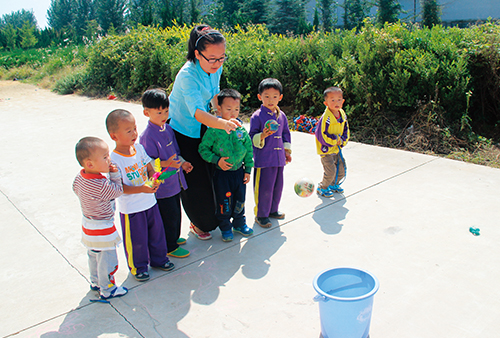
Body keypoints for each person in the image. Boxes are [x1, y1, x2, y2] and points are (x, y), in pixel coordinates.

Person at [168, 24, 240, 240]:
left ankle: (210, 216)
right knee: (195, 181)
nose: (218, 64)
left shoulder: (214, 67)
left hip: (205, 127)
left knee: (213, 174)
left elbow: (214, 96)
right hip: (184, 131)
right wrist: (222, 124)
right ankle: (197, 222)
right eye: (213, 59)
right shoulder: (187, 76)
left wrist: (225, 115)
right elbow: (198, 112)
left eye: (222, 58)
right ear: (198, 54)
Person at [106, 109, 174, 282]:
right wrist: (142, 189)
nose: (134, 133)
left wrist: (154, 179)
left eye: (135, 128)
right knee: (137, 240)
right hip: (132, 209)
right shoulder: (114, 160)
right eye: (128, 131)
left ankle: (159, 260)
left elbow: (150, 168)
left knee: (157, 234)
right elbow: (119, 187)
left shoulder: (139, 148)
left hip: (150, 202)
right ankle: (139, 267)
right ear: (114, 136)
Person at [139, 88, 193, 258]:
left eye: (166, 111)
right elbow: (146, 163)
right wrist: (166, 163)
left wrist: (182, 163)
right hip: (162, 186)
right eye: (159, 112)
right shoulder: (147, 136)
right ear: (146, 112)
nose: (164, 115)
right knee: (168, 216)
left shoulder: (167, 129)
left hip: (175, 182)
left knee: (176, 213)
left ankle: (174, 238)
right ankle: (169, 246)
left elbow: (176, 152)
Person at [73, 136, 128, 300]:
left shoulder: (80, 178)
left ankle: (95, 282)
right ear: (89, 164)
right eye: (105, 157)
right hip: (103, 227)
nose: (109, 159)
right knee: (107, 259)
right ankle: (108, 288)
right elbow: (118, 191)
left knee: (94, 255)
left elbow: (75, 189)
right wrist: (115, 174)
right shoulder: (101, 184)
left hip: (88, 224)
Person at [198, 89, 254, 242]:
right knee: (224, 202)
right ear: (219, 109)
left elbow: (249, 150)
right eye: (228, 109)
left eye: (236, 109)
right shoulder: (214, 130)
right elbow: (203, 149)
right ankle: (225, 226)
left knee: (240, 199)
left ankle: (239, 223)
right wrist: (217, 160)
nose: (233, 113)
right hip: (222, 174)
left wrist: (248, 170)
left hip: (239, 173)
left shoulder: (241, 130)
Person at [249, 78, 292, 228]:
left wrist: (287, 151)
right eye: (266, 96)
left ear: (280, 97)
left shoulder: (281, 116)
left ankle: (273, 210)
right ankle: (261, 215)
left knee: (277, 186)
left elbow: (286, 133)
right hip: (264, 160)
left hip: (279, 159)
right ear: (259, 97)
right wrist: (262, 136)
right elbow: (251, 136)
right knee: (264, 188)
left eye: (274, 96)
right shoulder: (257, 116)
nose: (270, 100)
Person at [315, 86, 350, 197]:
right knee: (330, 171)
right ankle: (323, 187)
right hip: (326, 150)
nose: (337, 102)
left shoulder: (342, 114)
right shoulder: (326, 118)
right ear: (326, 103)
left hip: (337, 148)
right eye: (333, 100)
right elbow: (320, 134)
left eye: (339, 99)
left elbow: (346, 129)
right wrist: (334, 140)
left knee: (341, 169)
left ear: (343, 101)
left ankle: (333, 184)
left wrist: (343, 141)